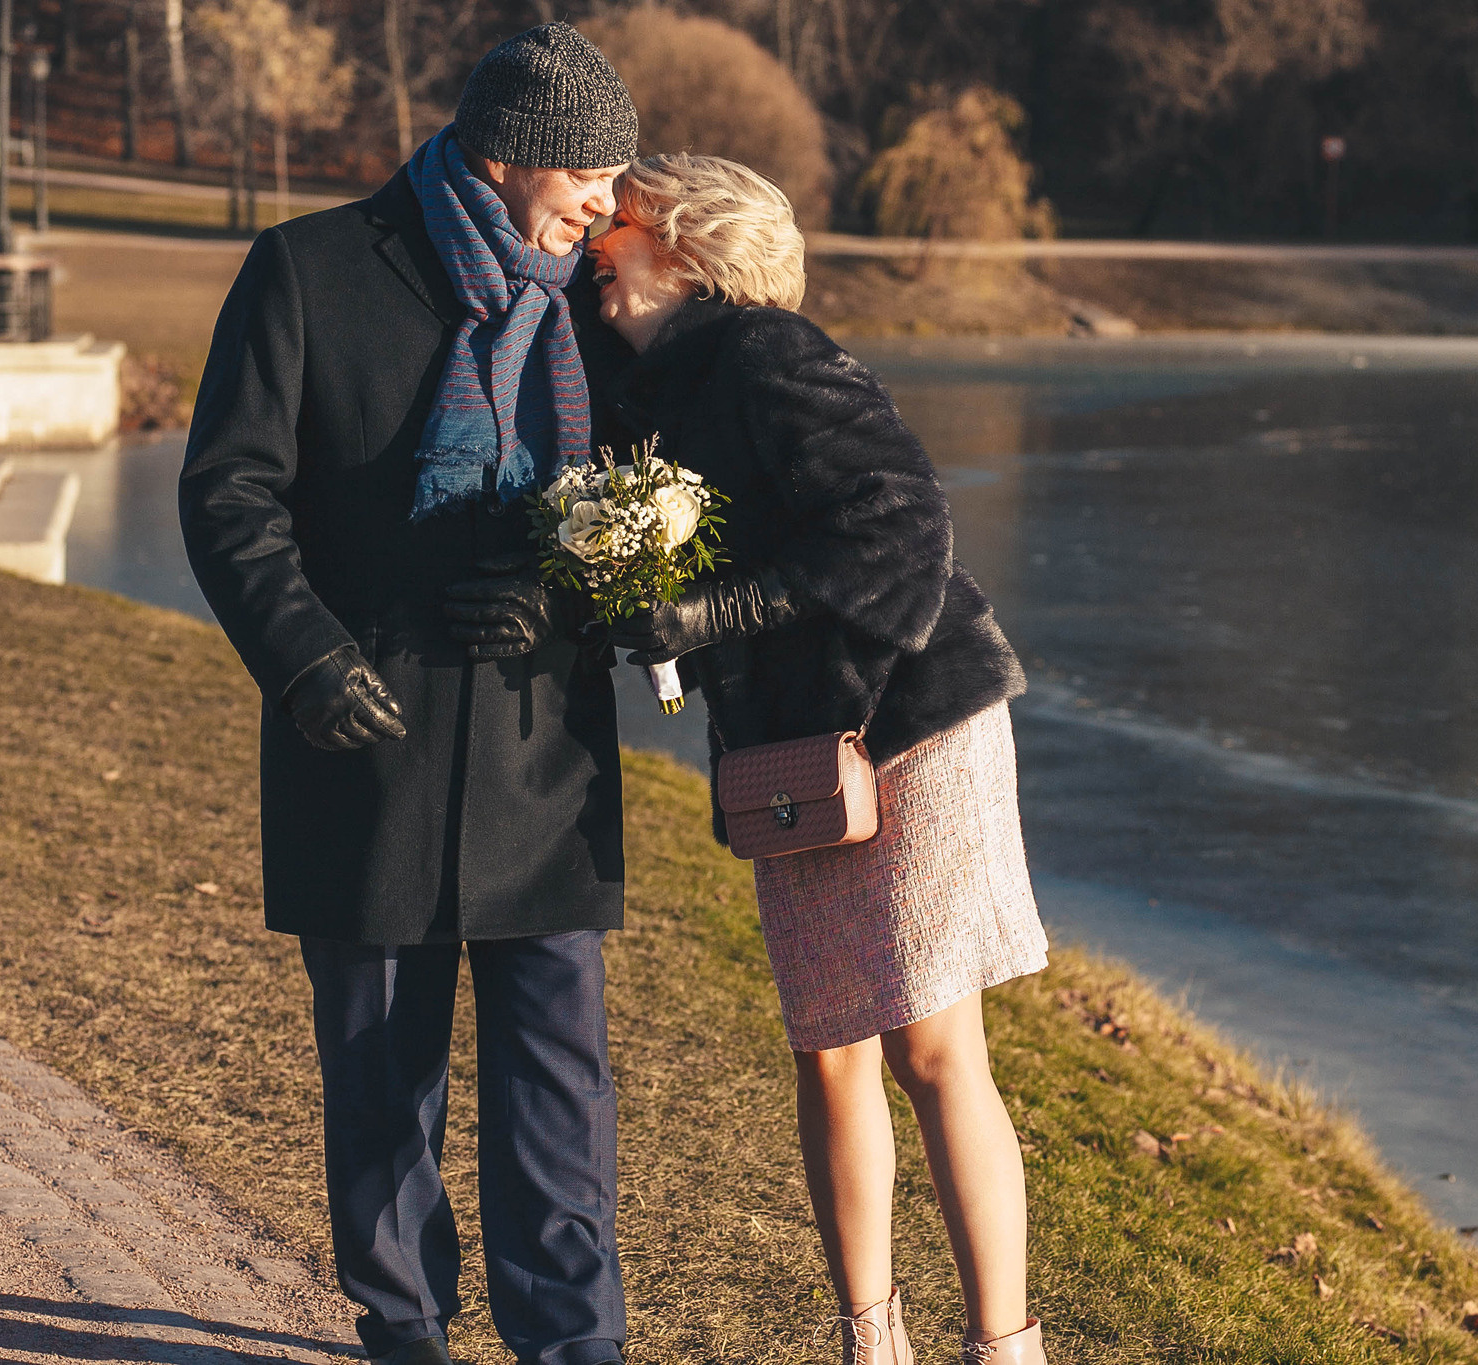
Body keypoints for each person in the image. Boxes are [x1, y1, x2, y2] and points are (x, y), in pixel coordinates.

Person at [178, 25, 638, 1365]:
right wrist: (306, 656)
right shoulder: (309, 270)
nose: (608, 202)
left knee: (561, 1094)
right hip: (361, 743)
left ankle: (574, 1345)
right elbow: (230, 491)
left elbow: (644, 512)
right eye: (588, 174)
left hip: (546, 758)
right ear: (505, 156)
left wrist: (567, 603)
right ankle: (405, 1332)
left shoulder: (598, 306)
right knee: (384, 1086)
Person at [586, 153, 1049, 1365]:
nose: (593, 239)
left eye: (616, 223)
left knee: (932, 1049)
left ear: (681, 248)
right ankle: (868, 1343)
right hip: (793, 754)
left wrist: (704, 618)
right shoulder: (636, 378)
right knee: (827, 1048)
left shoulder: (766, 353)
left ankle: (1003, 1348)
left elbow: (904, 525)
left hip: (911, 718)